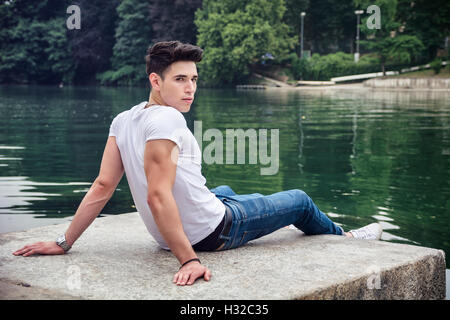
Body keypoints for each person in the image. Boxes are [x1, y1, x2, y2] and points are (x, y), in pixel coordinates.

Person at [13, 41, 382, 286]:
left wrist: (64, 242)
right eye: (179, 80)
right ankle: (344, 238)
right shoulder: (168, 119)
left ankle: (241, 207)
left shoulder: (124, 119)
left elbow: (102, 186)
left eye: (193, 79)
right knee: (299, 201)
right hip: (211, 234)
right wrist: (188, 261)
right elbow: (158, 196)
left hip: (166, 234)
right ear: (155, 80)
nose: (190, 88)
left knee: (222, 191)